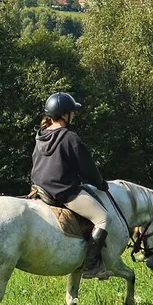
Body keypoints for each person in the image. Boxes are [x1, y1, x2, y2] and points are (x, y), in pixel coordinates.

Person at [31, 92, 112, 280]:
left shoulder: (40, 136)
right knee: (103, 218)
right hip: (63, 192)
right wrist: (100, 183)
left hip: (39, 190)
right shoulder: (69, 137)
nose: (74, 115)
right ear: (64, 114)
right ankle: (91, 266)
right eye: (72, 112)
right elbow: (87, 168)